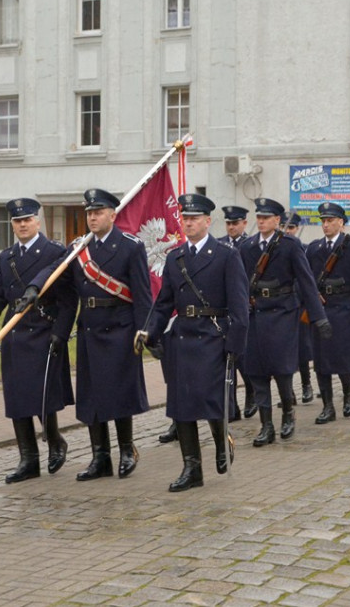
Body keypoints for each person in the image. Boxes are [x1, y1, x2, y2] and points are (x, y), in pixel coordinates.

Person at [27, 188, 151, 481]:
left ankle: (126, 450)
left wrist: (145, 331)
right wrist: (35, 286)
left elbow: (143, 296)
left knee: (118, 394)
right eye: (89, 214)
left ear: (112, 214)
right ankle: (100, 457)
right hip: (90, 329)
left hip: (120, 328)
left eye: (98, 213)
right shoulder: (79, 248)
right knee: (92, 397)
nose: (92, 218)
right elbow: (58, 275)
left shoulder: (131, 247)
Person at [138, 193, 249, 491]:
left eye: (194, 218)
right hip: (183, 338)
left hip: (214, 336)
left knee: (211, 399)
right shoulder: (175, 257)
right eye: (185, 219)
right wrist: (150, 331)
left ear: (207, 221)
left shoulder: (227, 255)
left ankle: (221, 441)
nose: (188, 223)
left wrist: (235, 346)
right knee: (181, 405)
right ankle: (192, 469)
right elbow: (163, 303)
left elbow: (239, 306)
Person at [0, 198, 77, 484]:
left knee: (42, 395)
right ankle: (28, 459)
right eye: (17, 221)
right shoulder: (7, 257)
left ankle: (55, 440)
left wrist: (61, 333)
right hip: (15, 334)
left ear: (37, 222)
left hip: (45, 330)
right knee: (17, 398)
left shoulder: (55, 252)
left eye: (27, 220)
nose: (22, 225)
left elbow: (68, 300)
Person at [239, 198, 330, 446]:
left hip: (282, 314)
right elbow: (240, 282)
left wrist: (318, 317)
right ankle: (266, 425)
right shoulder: (247, 247)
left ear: (277, 220)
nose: (261, 221)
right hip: (256, 314)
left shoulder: (290, 245)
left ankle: (288, 414)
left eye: (266, 218)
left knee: (281, 370)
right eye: (258, 217)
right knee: (256, 372)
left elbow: (307, 282)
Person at [306, 202, 350, 422]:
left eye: (330, 221)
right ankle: (327, 406)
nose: (325, 225)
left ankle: (347, 395)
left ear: (341, 223)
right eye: (323, 221)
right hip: (322, 311)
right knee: (321, 361)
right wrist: (312, 298)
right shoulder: (314, 248)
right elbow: (305, 280)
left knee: (342, 359)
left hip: (345, 310)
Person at [216, 205, 254, 419]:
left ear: (244, 224)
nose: (231, 227)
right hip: (224, 311)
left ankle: (250, 393)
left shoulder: (251, 245)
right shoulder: (219, 245)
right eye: (228, 223)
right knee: (226, 364)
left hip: (244, 307)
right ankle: (231, 408)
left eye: (235, 223)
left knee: (244, 362)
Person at [282, 211, 315, 405]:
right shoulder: (274, 249)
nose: (287, 231)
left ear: (297, 229)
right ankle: (289, 393)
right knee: (284, 352)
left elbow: (308, 281)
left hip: (300, 306)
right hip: (283, 308)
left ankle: (306, 385)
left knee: (302, 350)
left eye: (291, 228)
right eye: (284, 227)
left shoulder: (304, 249)